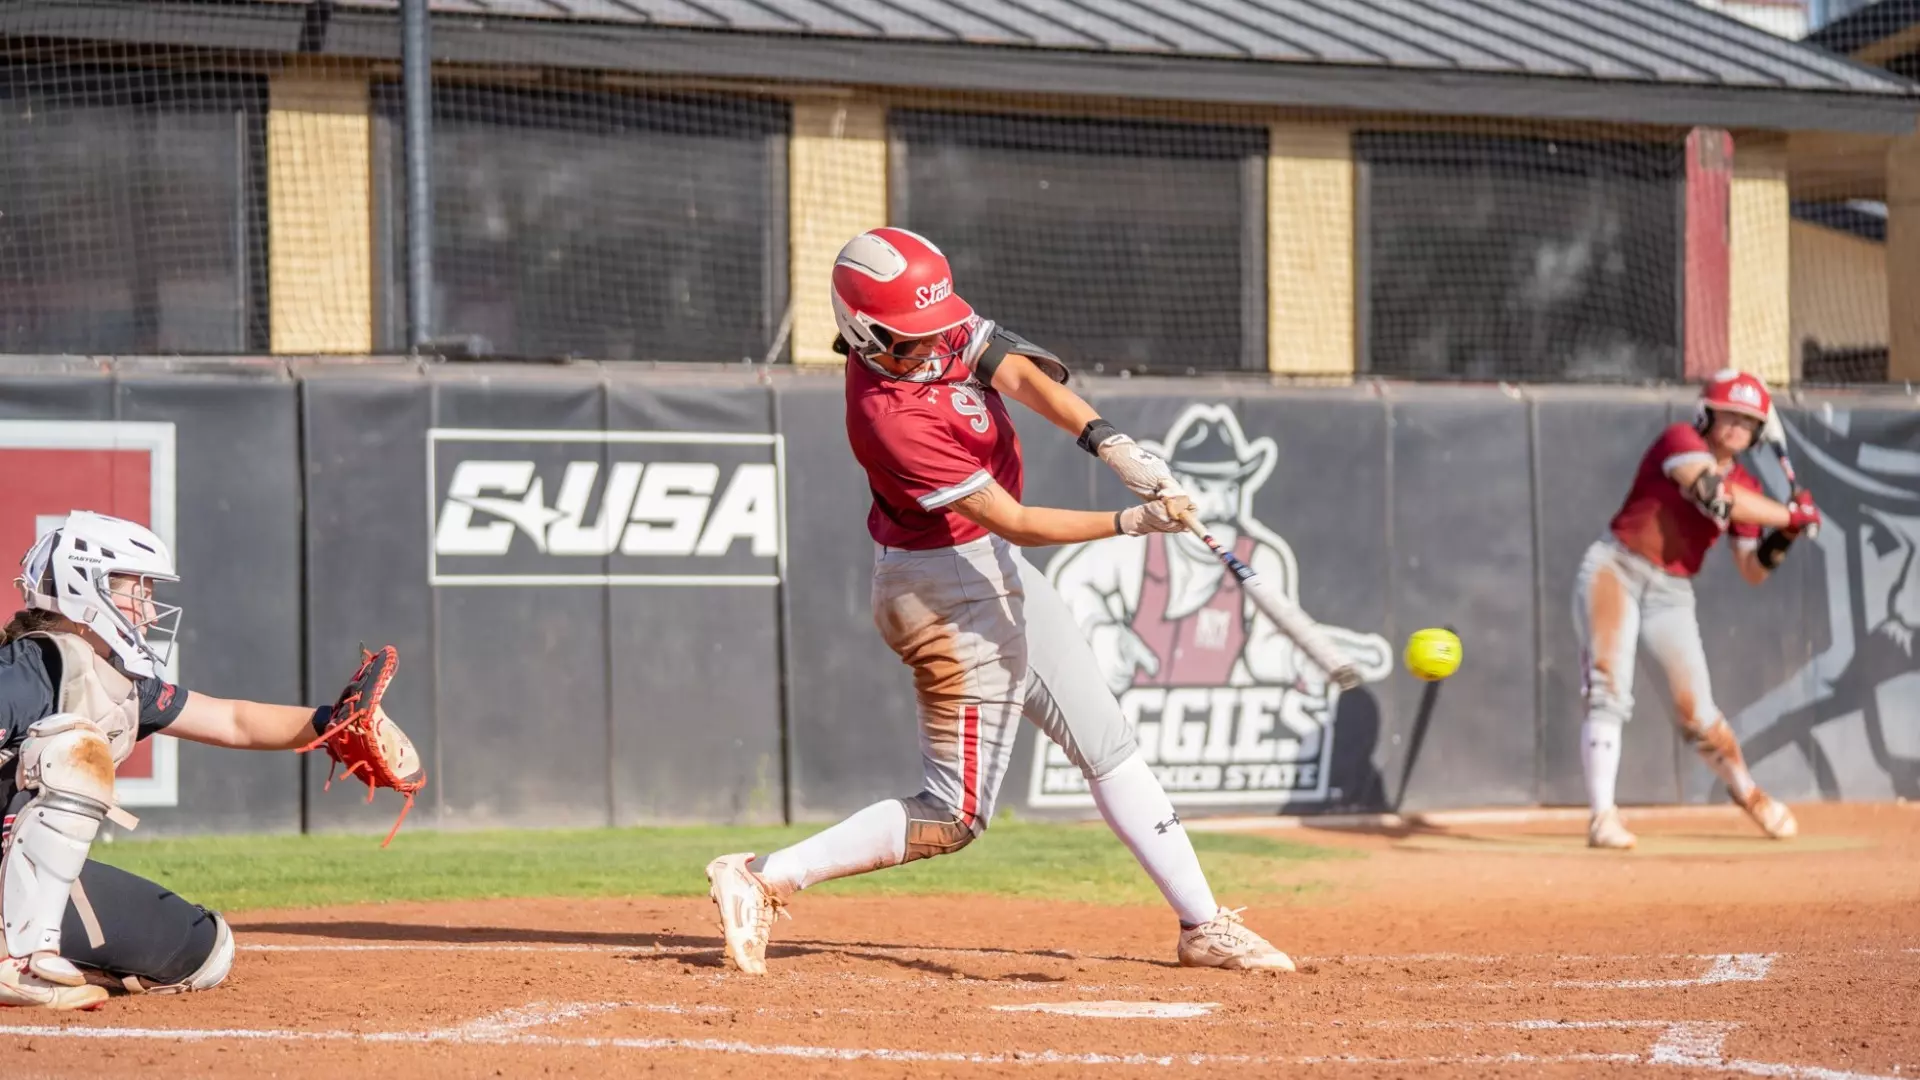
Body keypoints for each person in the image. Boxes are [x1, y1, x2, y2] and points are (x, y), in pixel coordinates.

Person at [704, 227, 1295, 975]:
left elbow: (1012, 371)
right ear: (863, 332)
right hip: (945, 590)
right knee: (954, 815)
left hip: (986, 569)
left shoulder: (925, 319)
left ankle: (1203, 925)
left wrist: (1109, 442)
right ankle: (761, 877)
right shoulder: (889, 416)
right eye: (912, 339)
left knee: (1105, 743)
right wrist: (1132, 522)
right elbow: (1012, 521)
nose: (934, 343)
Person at [0, 510, 416, 1009]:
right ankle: (20, 966)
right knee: (72, 750)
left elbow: (231, 720)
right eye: (139, 591)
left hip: (21, 887)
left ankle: (43, 950)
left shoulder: (107, 677)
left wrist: (332, 724)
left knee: (207, 952)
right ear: (86, 585)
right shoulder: (27, 671)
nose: (150, 612)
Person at [1573, 370, 1822, 849]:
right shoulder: (1680, 441)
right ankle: (1602, 817)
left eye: (1749, 421)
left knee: (1699, 715)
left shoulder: (1748, 484)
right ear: (1707, 413)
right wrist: (1790, 514)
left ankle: (1750, 795)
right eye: (1729, 414)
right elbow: (1713, 492)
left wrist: (1786, 535)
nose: (1738, 427)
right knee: (1609, 689)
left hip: (1672, 591)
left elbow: (1752, 569)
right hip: (1616, 569)